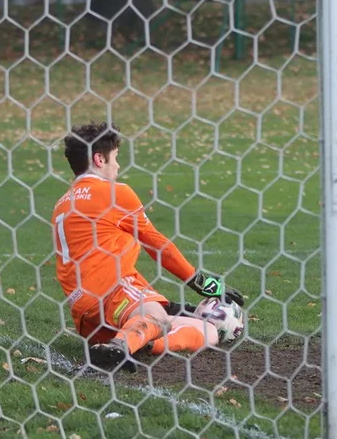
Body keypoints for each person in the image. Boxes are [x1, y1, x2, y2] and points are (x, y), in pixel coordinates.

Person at [51, 121, 244, 371]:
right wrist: (201, 282)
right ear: (99, 159)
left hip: (86, 318)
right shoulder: (113, 193)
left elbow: (101, 260)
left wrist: (178, 308)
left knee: (208, 332)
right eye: (115, 158)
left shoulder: (62, 205)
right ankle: (120, 347)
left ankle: (133, 342)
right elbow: (157, 244)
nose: (118, 166)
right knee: (158, 319)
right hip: (111, 293)